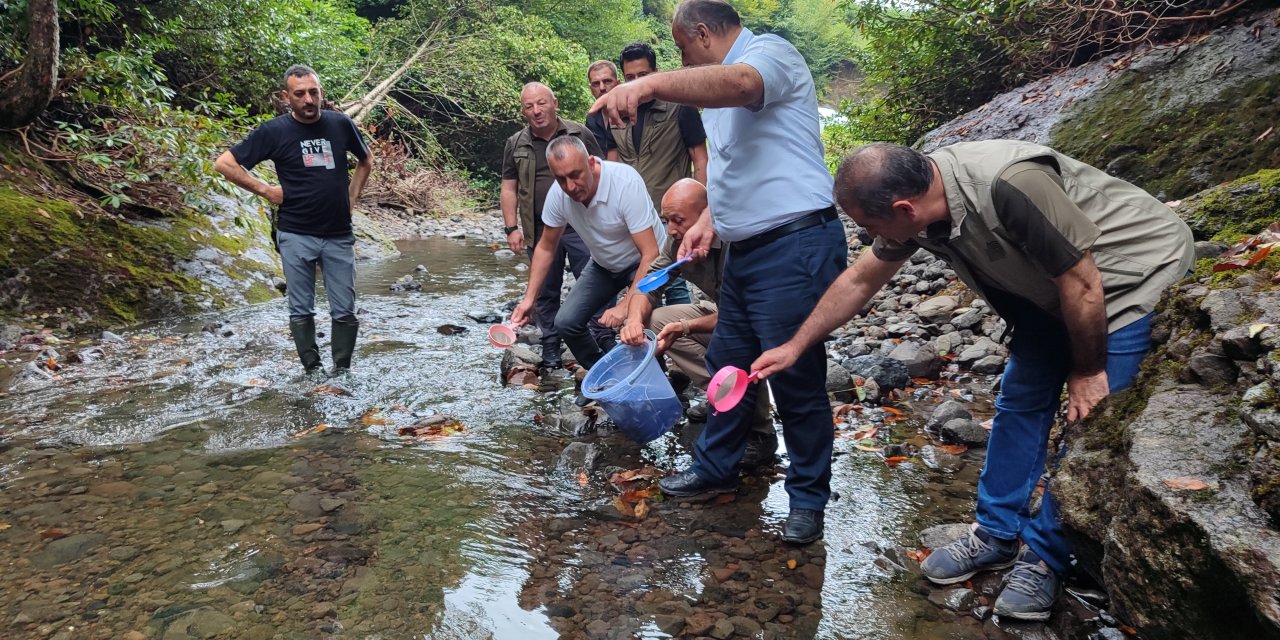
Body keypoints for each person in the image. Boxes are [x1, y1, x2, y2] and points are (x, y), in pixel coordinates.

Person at [752, 140, 1194, 619]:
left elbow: (1083, 282)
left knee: (1092, 422)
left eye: (869, 225)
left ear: (903, 208)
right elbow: (862, 279)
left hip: (1128, 276)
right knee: (1019, 403)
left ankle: (1047, 556)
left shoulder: (1011, 183)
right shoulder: (918, 209)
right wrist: (795, 345)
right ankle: (997, 532)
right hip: (1047, 287)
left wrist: (1087, 372)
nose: (865, 235)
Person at [592, 0, 847, 545]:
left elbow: (741, 83)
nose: (684, 63)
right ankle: (715, 467)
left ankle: (807, 499)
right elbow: (735, 164)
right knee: (727, 367)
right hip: (749, 249)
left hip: (795, 241)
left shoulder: (769, 54)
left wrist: (653, 84)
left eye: (683, 52)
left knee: (794, 377)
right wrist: (711, 218)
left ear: (702, 33)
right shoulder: (716, 97)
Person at [214, 64, 372, 375]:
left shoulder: (340, 124)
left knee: (345, 311)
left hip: (338, 233)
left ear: (321, 92)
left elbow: (366, 160)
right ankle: (312, 372)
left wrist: (351, 198)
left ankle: (342, 373)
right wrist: (267, 191)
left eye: (314, 92)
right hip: (296, 233)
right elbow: (225, 164)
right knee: (301, 309)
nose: (308, 100)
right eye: (300, 94)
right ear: (287, 97)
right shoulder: (274, 131)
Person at [620, 179, 777, 467]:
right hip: (721, 312)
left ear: (707, 214)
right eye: (666, 220)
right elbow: (649, 285)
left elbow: (740, 316)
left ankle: (761, 432)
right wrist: (632, 321)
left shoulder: (737, 241)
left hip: (758, 324)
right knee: (654, 320)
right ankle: (723, 395)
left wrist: (686, 328)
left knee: (738, 346)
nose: (671, 230)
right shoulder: (678, 240)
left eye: (678, 220)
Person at [509, 137, 662, 373]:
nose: (570, 186)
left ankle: (656, 377)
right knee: (566, 322)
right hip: (605, 264)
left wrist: (625, 305)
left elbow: (651, 254)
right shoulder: (558, 196)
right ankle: (606, 375)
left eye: (575, 175)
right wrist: (529, 299)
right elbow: (546, 247)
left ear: (591, 163)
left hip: (645, 263)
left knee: (641, 321)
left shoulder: (624, 182)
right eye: (561, 179)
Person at [501, 82, 611, 370]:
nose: (536, 111)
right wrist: (511, 228)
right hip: (539, 229)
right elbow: (509, 187)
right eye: (529, 106)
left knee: (594, 282)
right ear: (523, 110)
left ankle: (603, 336)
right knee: (545, 290)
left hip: (581, 227)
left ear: (554, 102)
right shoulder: (516, 143)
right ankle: (551, 344)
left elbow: (602, 171)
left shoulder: (579, 134)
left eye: (541, 103)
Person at [584, 61, 619, 158]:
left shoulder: (630, 113)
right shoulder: (591, 119)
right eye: (596, 84)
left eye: (607, 81)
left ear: (617, 83)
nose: (602, 88)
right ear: (590, 89)